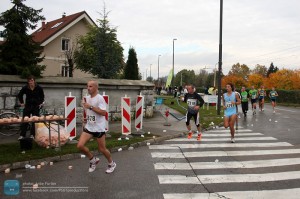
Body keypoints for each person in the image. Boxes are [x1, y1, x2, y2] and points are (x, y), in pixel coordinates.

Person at [77, 80, 116, 173]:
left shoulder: (100, 98)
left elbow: (103, 113)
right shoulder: (87, 98)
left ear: (96, 88)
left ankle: (111, 163)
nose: (88, 88)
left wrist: (90, 107)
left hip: (98, 128)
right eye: (87, 86)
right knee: (80, 146)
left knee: (102, 149)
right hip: (89, 126)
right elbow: (90, 112)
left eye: (90, 86)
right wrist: (87, 118)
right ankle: (93, 160)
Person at [17, 75, 45, 140]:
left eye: (32, 81)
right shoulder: (25, 88)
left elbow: (42, 96)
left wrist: (40, 103)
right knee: (25, 120)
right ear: (28, 82)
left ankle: (32, 135)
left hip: (36, 106)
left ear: (34, 81)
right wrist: (22, 102)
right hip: (28, 106)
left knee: (34, 121)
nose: (30, 82)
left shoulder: (39, 88)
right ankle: (22, 135)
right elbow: (20, 95)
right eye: (29, 81)